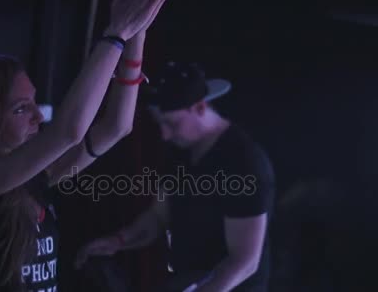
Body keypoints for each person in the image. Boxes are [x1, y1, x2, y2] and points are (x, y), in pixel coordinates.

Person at [0, 0, 172, 292]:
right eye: (21, 109)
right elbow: (70, 131)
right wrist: (116, 34)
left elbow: (116, 126)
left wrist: (136, 33)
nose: (38, 117)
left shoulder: (35, 179)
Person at [75, 62, 276, 291]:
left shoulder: (243, 162)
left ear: (200, 108)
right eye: (160, 124)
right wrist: (119, 241)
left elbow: (244, 262)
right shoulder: (180, 152)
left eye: (172, 123)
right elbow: (158, 218)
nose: (164, 134)